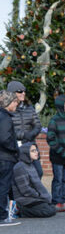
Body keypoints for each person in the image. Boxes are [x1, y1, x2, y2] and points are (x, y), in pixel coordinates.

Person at [6, 81, 43, 178]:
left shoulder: (29, 108)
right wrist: (23, 135)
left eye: (24, 91)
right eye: (20, 91)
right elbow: (7, 130)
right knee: (16, 175)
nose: (23, 93)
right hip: (15, 147)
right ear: (12, 93)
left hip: (29, 145)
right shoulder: (7, 110)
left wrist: (31, 134)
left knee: (38, 172)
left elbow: (38, 125)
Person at [47, 95, 65, 211]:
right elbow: (50, 139)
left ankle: (63, 199)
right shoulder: (54, 121)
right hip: (57, 156)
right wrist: (60, 150)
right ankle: (56, 201)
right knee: (58, 179)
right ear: (60, 106)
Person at [11, 143, 56, 218]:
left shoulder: (30, 165)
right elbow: (25, 190)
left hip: (34, 197)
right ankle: (19, 209)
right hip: (24, 199)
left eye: (36, 150)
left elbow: (37, 185)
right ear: (25, 153)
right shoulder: (20, 167)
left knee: (52, 208)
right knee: (48, 211)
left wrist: (42, 196)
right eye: (33, 151)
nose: (36, 152)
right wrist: (39, 196)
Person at [0, 91, 21, 226]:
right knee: (4, 187)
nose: (16, 105)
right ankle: (2, 216)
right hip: (5, 157)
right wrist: (15, 148)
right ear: (8, 103)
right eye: (14, 102)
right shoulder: (5, 118)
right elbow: (4, 138)